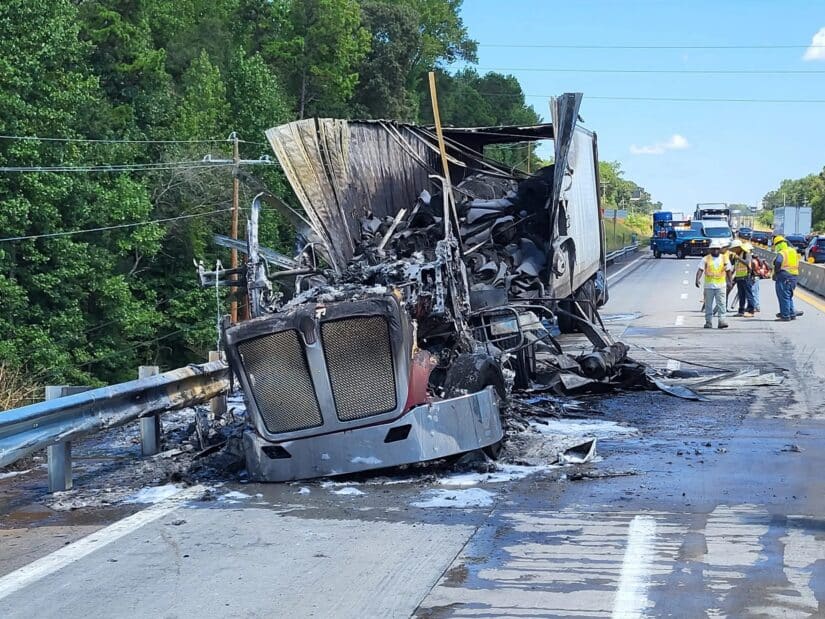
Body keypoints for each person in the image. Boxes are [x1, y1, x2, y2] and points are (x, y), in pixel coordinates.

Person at [696, 246, 734, 329]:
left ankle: (722, 321)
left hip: (721, 286)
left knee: (722, 304)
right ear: (710, 249)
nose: (715, 250)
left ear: (719, 249)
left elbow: (728, 271)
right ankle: (708, 322)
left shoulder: (724, 258)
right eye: (713, 249)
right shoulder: (706, 259)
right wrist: (697, 279)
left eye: (717, 249)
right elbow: (700, 269)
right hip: (709, 286)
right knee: (708, 305)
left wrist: (730, 282)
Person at [772, 235, 802, 321]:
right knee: (788, 296)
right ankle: (791, 313)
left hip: (784, 277)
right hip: (794, 277)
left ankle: (785, 316)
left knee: (783, 297)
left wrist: (776, 273)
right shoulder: (793, 251)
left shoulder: (782, 253)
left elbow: (778, 262)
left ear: (778, 244)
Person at [727, 240, 756, 316]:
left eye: (734, 249)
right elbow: (733, 264)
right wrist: (732, 258)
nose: (733, 250)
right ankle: (741, 310)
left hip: (746, 277)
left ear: (738, 247)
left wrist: (738, 258)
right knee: (741, 295)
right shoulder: (737, 254)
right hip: (739, 277)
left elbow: (747, 262)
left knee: (748, 295)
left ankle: (751, 310)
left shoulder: (746, 253)